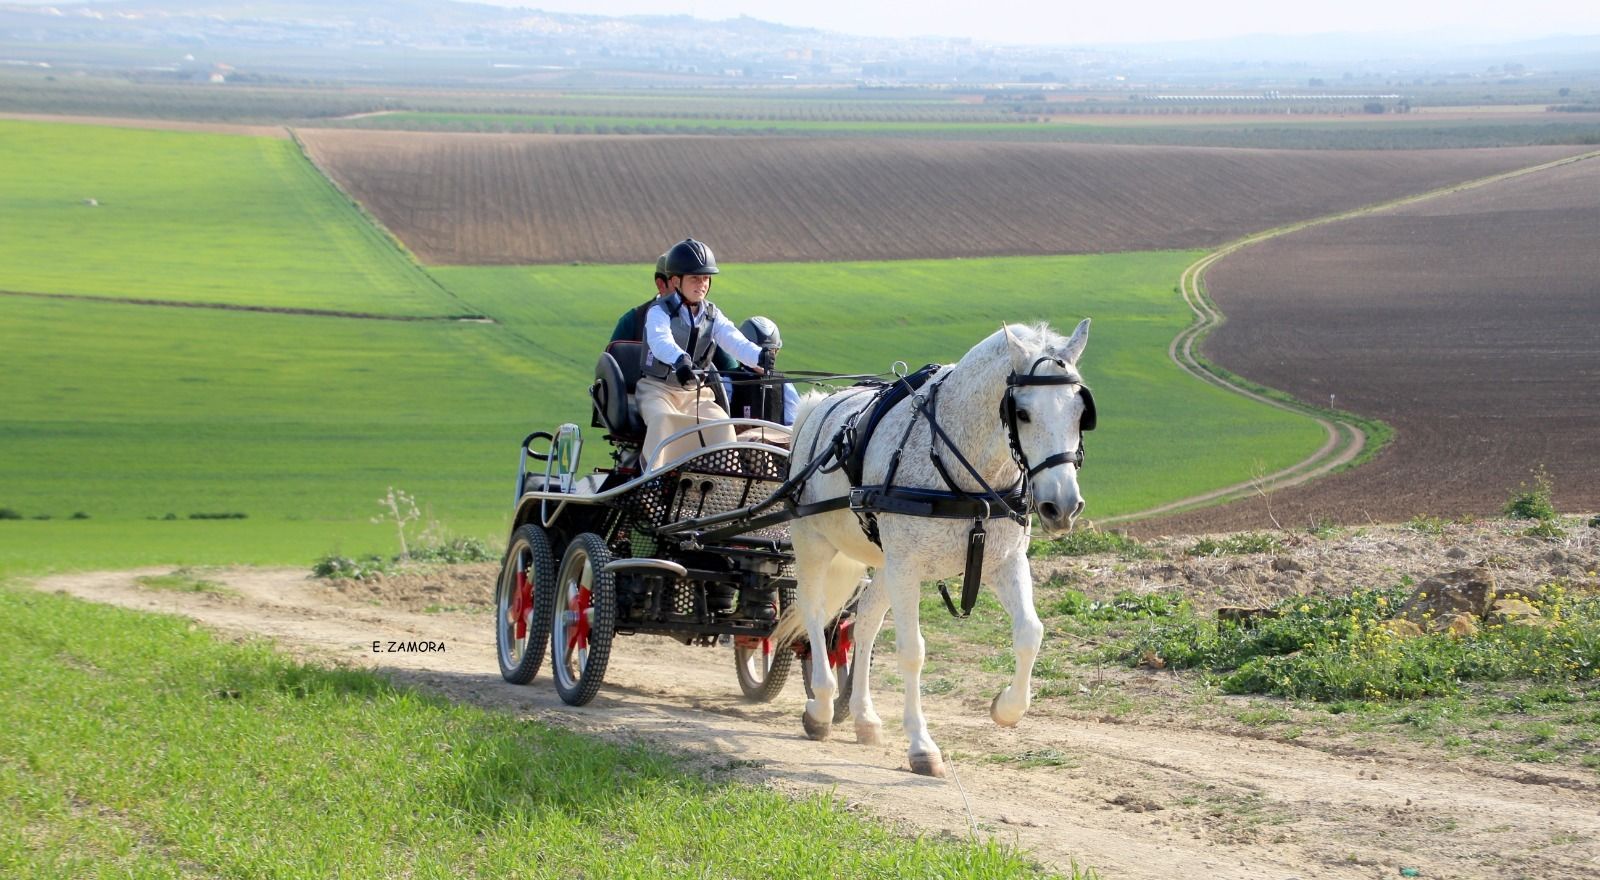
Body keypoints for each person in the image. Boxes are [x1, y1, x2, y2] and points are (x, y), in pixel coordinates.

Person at [637, 238, 772, 468]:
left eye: (706, 278)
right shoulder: (659, 311)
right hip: (658, 390)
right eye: (695, 278)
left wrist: (759, 356)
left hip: (696, 393)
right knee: (661, 421)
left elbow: (733, 339)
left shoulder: (712, 314)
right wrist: (679, 360)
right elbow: (660, 340)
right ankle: (651, 480)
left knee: (722, 425)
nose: (702, 284)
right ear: (676, 280)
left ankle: (727, 484)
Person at [725, 316, 799, 427]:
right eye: (758, 351)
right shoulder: (728, 381)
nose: (765, 358)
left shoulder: (784, 384)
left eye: (771, 351)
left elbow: (794, 423)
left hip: (774, 443)